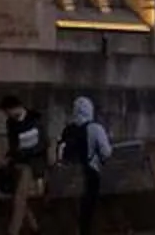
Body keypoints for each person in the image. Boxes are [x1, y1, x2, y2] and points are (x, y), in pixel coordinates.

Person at [59, 95, 112, 231]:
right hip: (89, 174)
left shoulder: (67, 130)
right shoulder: (96, 128)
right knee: (90, 208)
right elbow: (106, 153)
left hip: (69, 176)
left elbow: (60, 153)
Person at [0, 98, 48, 234]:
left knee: (19, 197)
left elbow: (43, 143)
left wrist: (25, 152)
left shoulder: (35, 120)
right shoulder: (11, 123)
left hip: (32, 162)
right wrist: (9, 157)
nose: (8, 115)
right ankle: (34, 227)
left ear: (15, 108)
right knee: (18, 196)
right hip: (18, 162)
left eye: (8, 111)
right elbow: (13, 144)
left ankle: (13, 231)